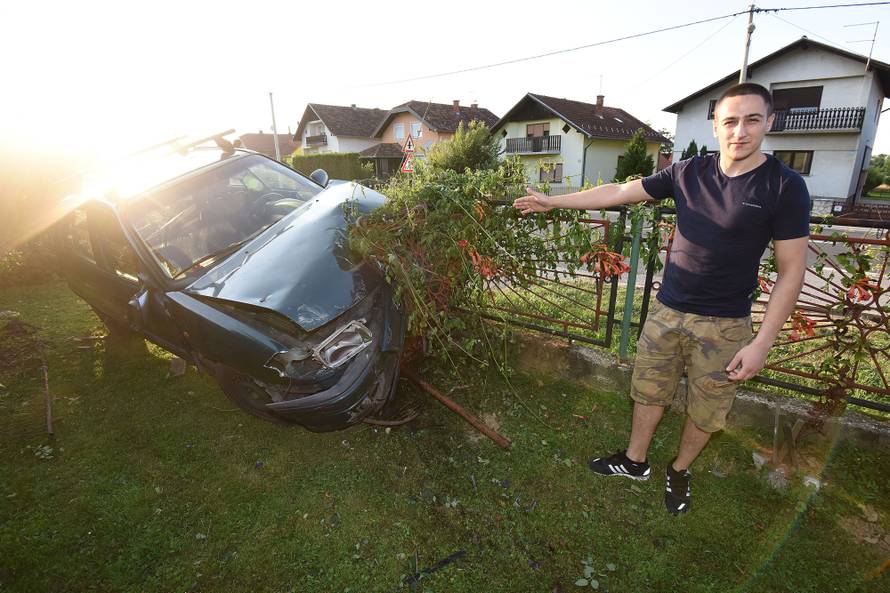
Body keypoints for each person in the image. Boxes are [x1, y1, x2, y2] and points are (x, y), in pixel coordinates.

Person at [513, 82, 810, 514]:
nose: (740, 131)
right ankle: (635, 462)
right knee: (648, 391)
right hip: (668, 311)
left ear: (769, 123)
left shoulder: (784, 187)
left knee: (707, 409)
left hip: (725, 324)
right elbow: (618, 191)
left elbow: (792, 271)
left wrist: (761, 341)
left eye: (752, 120)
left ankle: (680, 469)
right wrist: (554, 202)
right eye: (730, 121)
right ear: (715, 126)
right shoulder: (688, 172)